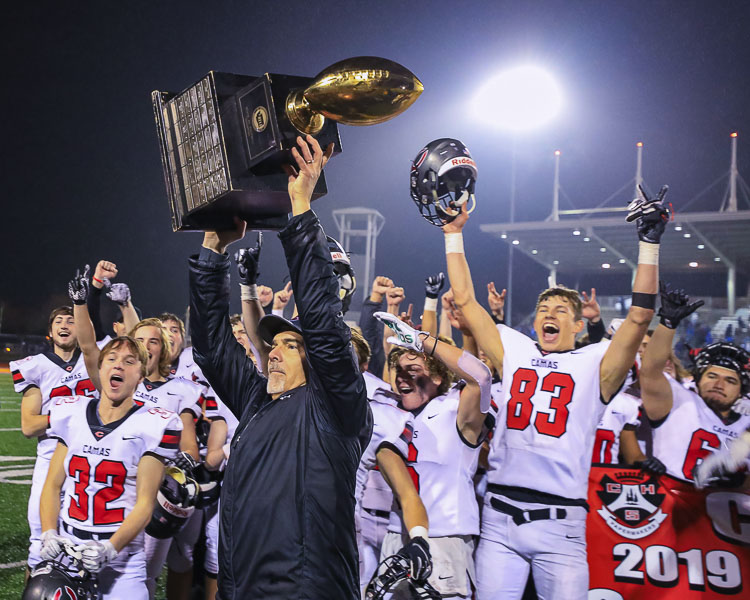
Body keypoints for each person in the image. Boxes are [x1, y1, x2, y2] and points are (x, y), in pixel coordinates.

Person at [439, 187, 667, 599]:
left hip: (560, 526)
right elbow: (468, 301)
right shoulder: (515, 348)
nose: (550, 314)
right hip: (500, 518)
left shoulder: (596, 362)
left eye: (562, 310)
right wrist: (453, 233)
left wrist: (649, 244)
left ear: (579, 326)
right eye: (545, 308)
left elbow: (639, 315)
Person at [188, 134, 370, 599]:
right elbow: (210, 347)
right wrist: (213, 248)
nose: (272, 350)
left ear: (315, 358)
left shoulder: (335, 407)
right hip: (241, 587)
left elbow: (325, 329)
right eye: (274, 343)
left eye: (290, 345)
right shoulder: (256, 401)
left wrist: (300, 209)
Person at [37, 336, 183, 599]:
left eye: (129, 362)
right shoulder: (71, 413)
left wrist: (110, 549)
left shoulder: (152, 424)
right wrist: (48, 531)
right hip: (70, 552)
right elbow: (52, 484)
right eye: (112, 360)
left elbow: (145, 505)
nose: (118, 367)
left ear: (140, 375)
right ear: (100, 368)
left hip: (121, 560)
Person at [375, 312, 495, 599]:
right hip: (397, 536)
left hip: (444, 541)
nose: (403, 376)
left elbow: (481, 376)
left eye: (414, 369)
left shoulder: (454, 410)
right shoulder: (389, 410)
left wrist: (420, 340)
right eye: (399, 370)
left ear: (439, 376)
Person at [11, 305, 98, 572]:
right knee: (41, 542)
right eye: (58, 321)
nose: (64, 325)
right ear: (50, 331)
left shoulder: (95, 361)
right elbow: (29, 425)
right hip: (50, 457)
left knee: (86, 542)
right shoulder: (36, 365)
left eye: (71, 321)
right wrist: (70, 417)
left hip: (90, 457)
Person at [639, 284, 750, 484]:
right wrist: (668, 323)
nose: (719, 384)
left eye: (730, 380)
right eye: (712, 376)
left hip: (724, 514)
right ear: (698, 379)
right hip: (671, 511)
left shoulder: (746, 427)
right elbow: (650, 371)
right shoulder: (679, 401)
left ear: (742, 391)